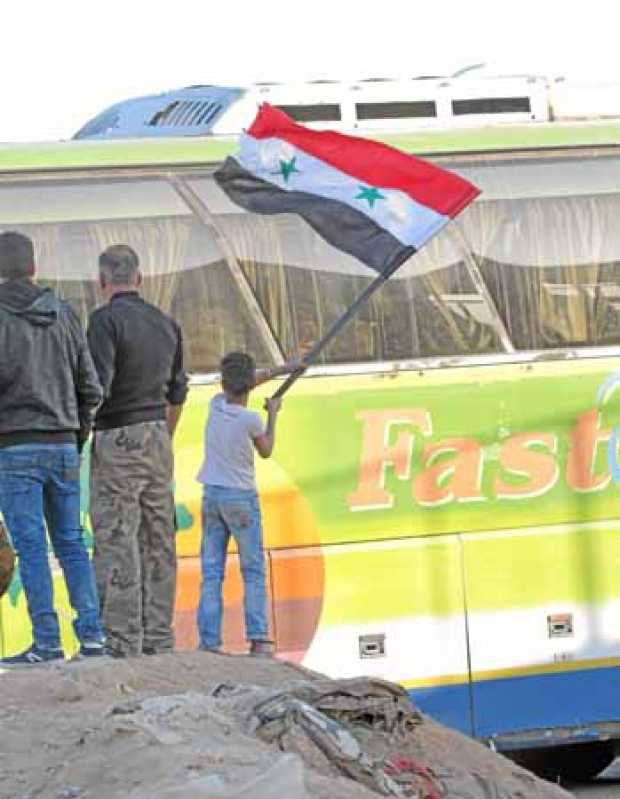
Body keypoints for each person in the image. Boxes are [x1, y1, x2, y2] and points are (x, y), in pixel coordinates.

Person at [0, 231, 105, 664]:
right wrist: (75, 439)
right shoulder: (64, 314)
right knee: (71, 543)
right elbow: (91, 389)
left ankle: (46, 642)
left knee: (31, 548)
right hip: (63, 444)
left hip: (13, 448)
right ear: (33, 267)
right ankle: (93, 639)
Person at [87, 244, 188, 658]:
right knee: (158, 538)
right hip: (157, 438)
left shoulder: (104, 322)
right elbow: (179, 388)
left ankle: (122, 641)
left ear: (102, 280)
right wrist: (163, 433)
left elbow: (98, 387)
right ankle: (159, 637)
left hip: (118, 436)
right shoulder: (165, 322)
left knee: (116, 536)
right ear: (140, 278)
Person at [196, 351, 300, 656]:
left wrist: (282, 369)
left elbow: (245, 382)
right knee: (252, 570)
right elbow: (266, 449)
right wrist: (274, 412)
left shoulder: (215, 406)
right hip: (240, 497)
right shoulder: (251, 420)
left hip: (211, 494)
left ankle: (209, 642)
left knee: (212, 572)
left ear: (223, 382)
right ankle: (258, 637)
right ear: (249, 384)